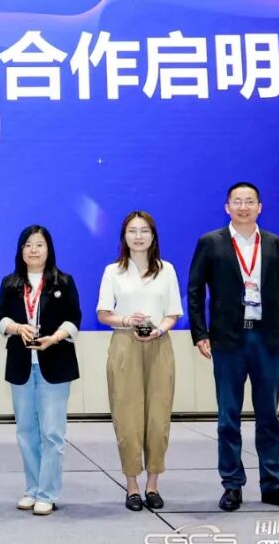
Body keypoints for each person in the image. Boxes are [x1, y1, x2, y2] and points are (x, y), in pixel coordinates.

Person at [187, 181, 279, 512]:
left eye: (249, 201)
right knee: (228, 416)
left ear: (260, 207)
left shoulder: (275, 244)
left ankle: (273, 483)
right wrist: (200, 333)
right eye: (237, 201)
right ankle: (232, 485)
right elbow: (195, 291)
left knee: (269, 415)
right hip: (228, 340)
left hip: (266, 338)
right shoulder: (211, 243)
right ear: (227, 207)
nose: (243, 207)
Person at [96, 211, 181, 511]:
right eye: (132, 231)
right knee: (128, 418)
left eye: (144, 230)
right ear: (124, 236)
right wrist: (126, 319)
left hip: (158, 345)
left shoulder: (167, 270)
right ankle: (132, 486)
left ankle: (153, 485)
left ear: (153, 236)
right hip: (124, 345)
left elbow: (173, 313)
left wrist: (159, 329)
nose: (138, 236)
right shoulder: (113, 271)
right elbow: (103, 313)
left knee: (158, 419)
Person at [0, 225, 81, 516]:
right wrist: (17, 328)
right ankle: (32, 489)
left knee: (52, 433)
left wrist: (54, 338)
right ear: (21, 250)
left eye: (39, 244)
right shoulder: (10, 283)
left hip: (56, 364)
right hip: (21, 365)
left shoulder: (63, 282)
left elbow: (74, 319)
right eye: (28, 244)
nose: (33, 250)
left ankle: (48, 493)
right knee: (26, 432)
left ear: (48, 249)